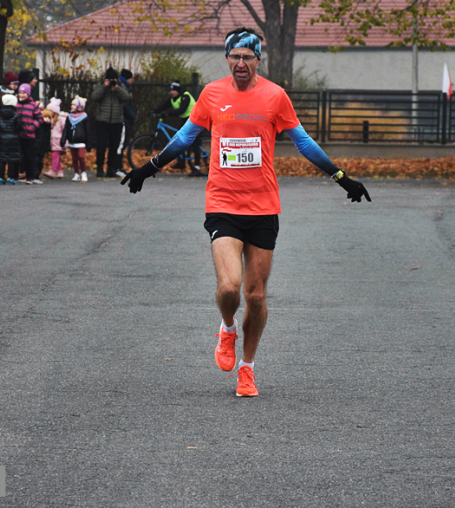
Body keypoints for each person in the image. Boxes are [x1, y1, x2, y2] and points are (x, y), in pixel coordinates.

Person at [121, 27, 371, 397]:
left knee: (255, 296)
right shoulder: (211, 94)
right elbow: (186, 137)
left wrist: (340, 177)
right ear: (227, 59)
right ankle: (226, 327)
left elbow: (302, 141)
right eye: (234, 56)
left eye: (247, 57)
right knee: (229, 287)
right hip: (223, 203)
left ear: (258, 60)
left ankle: (247, 368)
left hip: (264, 206)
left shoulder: (275, 96)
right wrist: (149, 167)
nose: (241, 63)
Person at [153, 81, 205, 176]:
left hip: (196, 120)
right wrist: (154, 111)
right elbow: (164, 105)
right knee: (178, 139)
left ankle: (197, 168)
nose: (172, 92)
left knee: (195, 144)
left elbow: (182, 110)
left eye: (174, 90)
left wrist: (168, 113)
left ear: (178, 91)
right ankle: (181, 163)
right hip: (186, 120)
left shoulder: (185, 96)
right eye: (171, 90)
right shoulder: (173, 98)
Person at [90, 66, 132, 178]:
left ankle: (111, 168)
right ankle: (99, 168)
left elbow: (127, 97)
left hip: (117, 121)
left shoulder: (120, 87)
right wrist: (105, 86)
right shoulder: (101, 85)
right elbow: (94, 96)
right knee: (101, 145)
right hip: (102, 120)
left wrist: (116, 88)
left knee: (114, 146)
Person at [17, 83, 43, 184]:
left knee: (29, 156)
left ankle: (30, 176)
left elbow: (40, 118)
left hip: (30, 135)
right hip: (19, 134)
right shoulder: (17, 104)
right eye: (20, 93)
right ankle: (19, 174)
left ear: (28, 94)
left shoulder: (33, 105)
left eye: (24, 93)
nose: (22, 95)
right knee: (20, 156)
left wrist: (33, 127)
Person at [61, 96, 91, 182]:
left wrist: (89, 143)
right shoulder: (69, 117)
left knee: (81, 156)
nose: (72, 106)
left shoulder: (84, 117)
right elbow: (66, 129)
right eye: (71, 104)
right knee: (74, 158)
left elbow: (88, 131)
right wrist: (63, 139)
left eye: (74, 104)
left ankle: (84, 172)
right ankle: (76, 173)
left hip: (81, 141)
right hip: (72, 141)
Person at [0, 94, 22, 185]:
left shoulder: (0, 115)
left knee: (2, 158)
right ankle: (11, 177)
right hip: (13, 137)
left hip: (3, 137)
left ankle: (1, 177)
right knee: (12, 158)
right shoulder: (16, 115)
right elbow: (19, 127)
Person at [43, 98, 67, 179]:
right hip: (55, 139)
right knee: (57, 155)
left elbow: (64, 129)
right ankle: (60, 172)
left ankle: (53, 171)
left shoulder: (61, 119)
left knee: (55, 155)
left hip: (59, 140)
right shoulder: (53, 119)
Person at [118, 68, 136, 176]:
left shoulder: (123, 87)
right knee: (121, 143)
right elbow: (125, 104)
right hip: (124, 119)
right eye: (131, 78)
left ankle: (118, 166)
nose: (132, 81)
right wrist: (131, 115)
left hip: (124, 118)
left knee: (122, 143)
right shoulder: (124, 88)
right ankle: (118, 167)